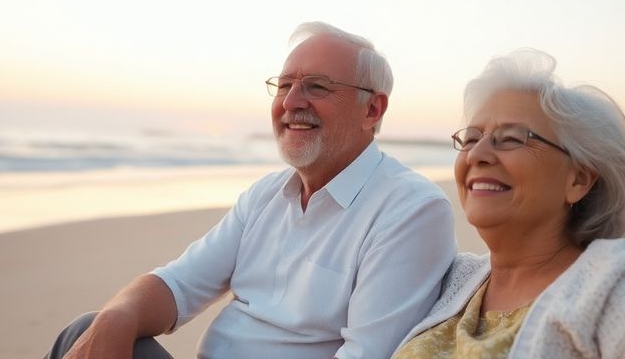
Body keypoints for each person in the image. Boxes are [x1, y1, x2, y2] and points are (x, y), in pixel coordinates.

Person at [46, 22, 457, 359]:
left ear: (372, 110)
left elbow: (369, 355)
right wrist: (119, 315)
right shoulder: (266, 196)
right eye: (284, 85)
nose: (292, 101)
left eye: (317, 86)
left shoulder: (410, 210)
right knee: (92, 329)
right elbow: (179, 284)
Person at [393, 49, 625, 358]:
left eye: (510, 138)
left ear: (577, 180)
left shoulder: (616, 288)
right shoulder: (453, 278)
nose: (476, 155)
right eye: (472, 138)